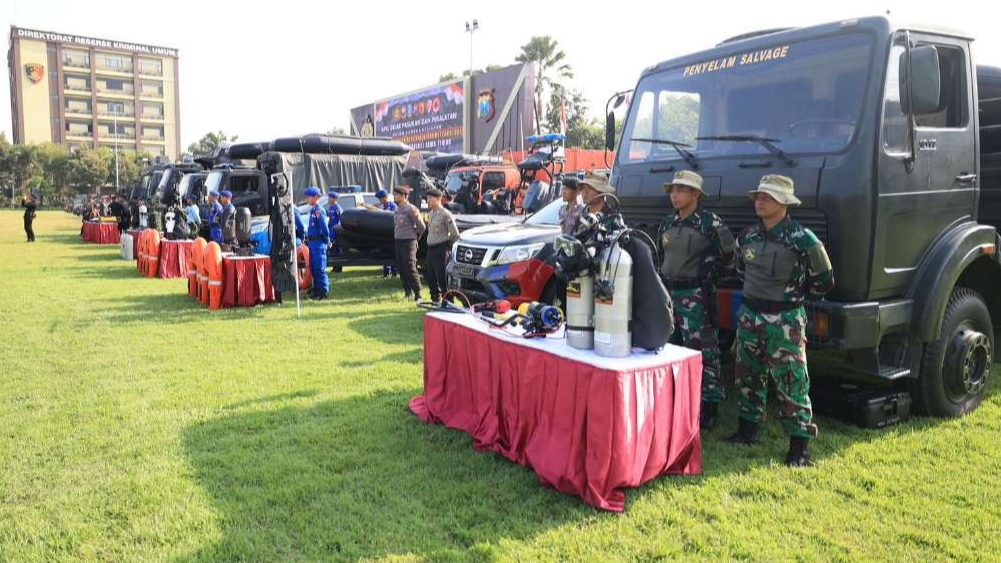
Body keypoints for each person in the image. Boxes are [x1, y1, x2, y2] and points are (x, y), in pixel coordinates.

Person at [728, 175, 835, 467]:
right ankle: (747, 431)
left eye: (768, 197)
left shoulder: (803, 239)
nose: (760, 201)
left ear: (785, 203)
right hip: (750, 316)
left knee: (791, 380)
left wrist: (791, 298)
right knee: (748, 374)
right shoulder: (747, 236)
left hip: (785, 320)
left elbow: (824, 280)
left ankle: (799, 448)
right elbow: (741, 270)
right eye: (759, 196)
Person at [659, 170, 736, 430]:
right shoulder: (668, 222)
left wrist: (709, 276)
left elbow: (729, 257)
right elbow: (663, 255)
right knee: (669, 348)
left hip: (697, 296)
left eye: (681, 190)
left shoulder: (709, 223)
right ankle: (674, 401)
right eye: (672, 190)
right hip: (669, 295)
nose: (674, 195)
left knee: (704, 352)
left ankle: (709, 408)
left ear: (695, 194)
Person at [424, 188, 460, 303]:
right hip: (431, 249)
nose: (427, 200)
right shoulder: (431, 213)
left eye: (430, 198)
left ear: (438, 199)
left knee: (442, 277)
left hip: (441, 249)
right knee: (429, 275)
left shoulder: (446, 214)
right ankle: (436, 298)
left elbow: (455, 234)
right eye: (427, 198)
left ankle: (448, 301)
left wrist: (447, 247)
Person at [392, 186, 425, 302]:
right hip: (398, 241)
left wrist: (414, 237)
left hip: (409, 242)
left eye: (396, 195)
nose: (394, 196)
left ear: (403, 196)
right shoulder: (397, 209)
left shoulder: (411, 209)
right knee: (401, 267)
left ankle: (418, 294)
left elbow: (422, 226)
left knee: (410, 268)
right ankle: (407, 291)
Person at [304, 187, 329, 299]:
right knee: (314, 268)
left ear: (315, 197)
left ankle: (323, 292)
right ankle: (317, 290)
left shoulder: (319, 210)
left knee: (320, 268)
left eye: (309, 197)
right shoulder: (314, 210)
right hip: (313, 243)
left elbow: (324, 228)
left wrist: (326, 240)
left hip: (319, 243)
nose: (307, 199)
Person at [366, 189, 398, 277]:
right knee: (385, 253)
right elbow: (375, 208)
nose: (379, 200)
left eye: (381, 198)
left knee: (392, 253)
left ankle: (394, 272)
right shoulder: (383, 205)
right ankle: (387, 272)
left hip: (391, 234)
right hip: (384, 234)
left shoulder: (392, 206)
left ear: (385, 197)